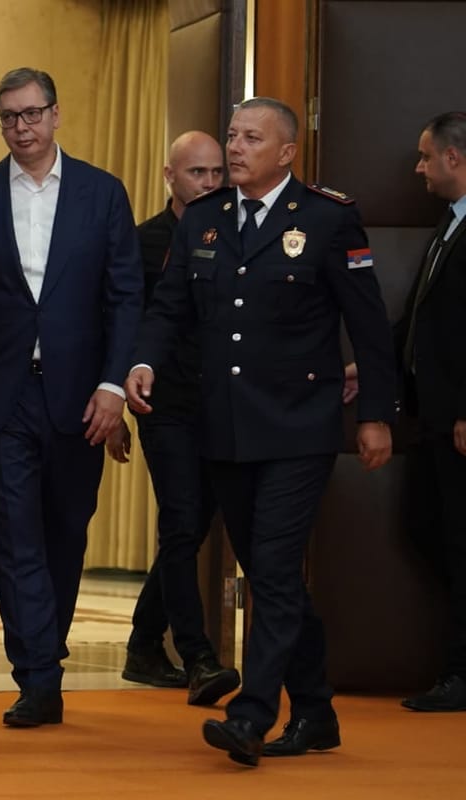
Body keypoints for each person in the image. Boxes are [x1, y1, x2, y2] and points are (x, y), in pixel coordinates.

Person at [126, 97, 396, 767]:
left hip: (300, 427)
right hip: (224, 429)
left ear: (286, 153)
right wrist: (141, 360)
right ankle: (316, 711)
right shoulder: (206, 221)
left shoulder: (329, 219)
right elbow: (168, 307)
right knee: (271, 575)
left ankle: (251, 714)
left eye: (251, 138)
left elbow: (369, 327)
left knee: (272, 568)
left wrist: (376, 417)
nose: (236, 148)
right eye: (232, 135)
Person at [0, 67, 142, 727]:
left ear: (56, 115)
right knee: (14, 537)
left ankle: (45, 647)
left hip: (80, 397)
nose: (21, 128)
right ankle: (37, 676)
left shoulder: (102, 194)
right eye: (8, 117)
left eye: (32, 114)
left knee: (65, 531)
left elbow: (125, 298)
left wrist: (114, 385)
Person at [122, 132, 241, 707]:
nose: (211, 184)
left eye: (218, 172)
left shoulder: (241, 234)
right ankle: (196, 656)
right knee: (181, 519)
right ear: (171, 177)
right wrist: (113, 403)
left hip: (221, 405)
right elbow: (124, 326)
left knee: (190, 529)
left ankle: (144, 644)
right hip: (162, 404)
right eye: (198, 173)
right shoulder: (143, 242)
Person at [398, 111, 466, 712]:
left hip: (460, 418)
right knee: (427, 527)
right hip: (433, 415)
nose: (417, 168)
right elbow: (425, 315)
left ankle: (460, 675)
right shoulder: (451, 223)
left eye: (425, 156)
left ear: (454, 159)